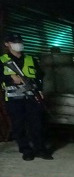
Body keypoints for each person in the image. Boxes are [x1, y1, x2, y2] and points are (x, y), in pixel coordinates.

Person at [1, 33, 53, 161]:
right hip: (13, 99)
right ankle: (26, 150)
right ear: (7, 44)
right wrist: (10, 78)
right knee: (19, 125)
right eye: (14, 41)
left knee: (37, 124)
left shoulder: (31, 59)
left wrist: (40, 90)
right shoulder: (2, 60)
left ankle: (40, 149)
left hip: (31, 97)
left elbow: (40, 76)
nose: (18, 43)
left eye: (19, 41)